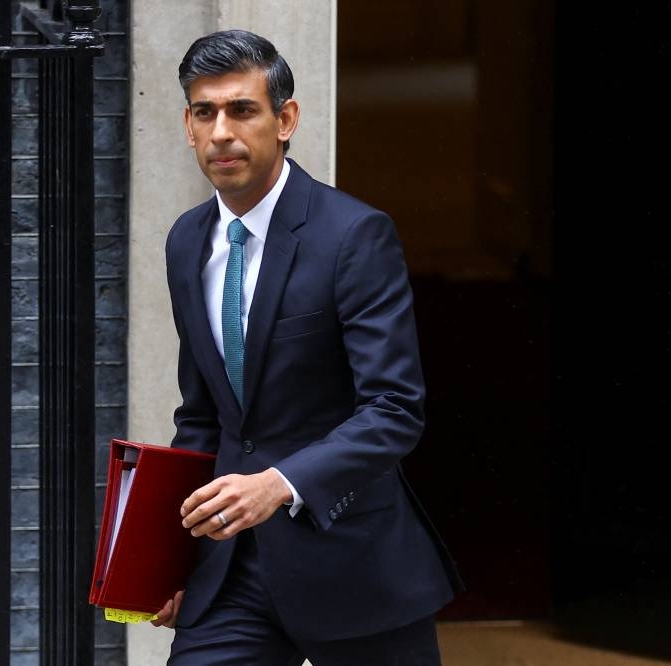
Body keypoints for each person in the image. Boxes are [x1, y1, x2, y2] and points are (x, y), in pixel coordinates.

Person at [153, 29, 462, 665]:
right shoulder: (187, 241)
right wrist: (168, 560)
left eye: (242, 110)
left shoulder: (355, 235)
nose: (221, 134)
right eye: (204, 113)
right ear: (187, 125)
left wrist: (280, 483)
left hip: (354, 562)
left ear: (285, 118)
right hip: (230, 575)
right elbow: (203, 418)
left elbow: (394, 408)